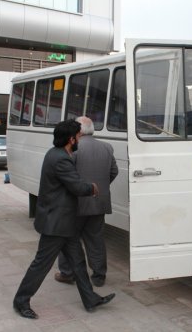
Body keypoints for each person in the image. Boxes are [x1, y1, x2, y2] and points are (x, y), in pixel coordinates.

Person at [13, 119, 115, 319]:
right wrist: (92, 187)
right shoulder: (60, 158)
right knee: (41, 265)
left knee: (77, 262)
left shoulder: (58, 154)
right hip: (56, 223)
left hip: (64, 221)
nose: (79, 139)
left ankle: (90, 298)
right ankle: (21, 301)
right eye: (78, 136)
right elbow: (76, 186)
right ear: (71, 138)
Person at [55, 116, 118, 287]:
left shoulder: (72, 148)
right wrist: (99, 188)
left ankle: (67, 273)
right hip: (98, 203)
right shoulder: (107, 147)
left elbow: (68, 177)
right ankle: (99, 276)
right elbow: (113, 172)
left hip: (75, 203)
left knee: (68, 238)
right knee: (96, 240)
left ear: (79, 131)